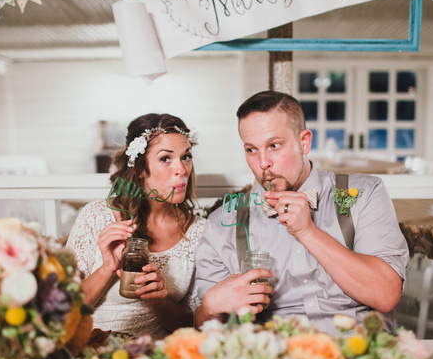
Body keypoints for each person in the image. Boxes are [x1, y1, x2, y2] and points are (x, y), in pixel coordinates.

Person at [193, 91, 409, 333]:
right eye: (251, 150)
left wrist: (308, 232)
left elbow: (386, 295)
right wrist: (210, 308)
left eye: (274, 145)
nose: (263, 163)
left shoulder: (365, 193)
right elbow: (209, 333)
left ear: (304, 142)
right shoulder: (224, 224)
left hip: (360, 352)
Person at [66, 113, 205, 339]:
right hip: (93, 347)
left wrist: (160, 301)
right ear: (140, 168)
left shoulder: (199, 231)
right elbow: (65, 312)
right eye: (165, 159)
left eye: (186, 156)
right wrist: (107, 268)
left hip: (157, 353)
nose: (182, 169)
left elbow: (193, 324)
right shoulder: (96, 216)